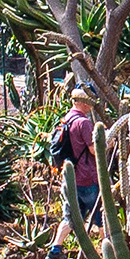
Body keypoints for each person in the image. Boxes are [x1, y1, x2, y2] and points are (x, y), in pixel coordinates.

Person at [50, 95, 101, 249]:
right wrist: (107, 143)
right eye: (88, 101)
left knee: (71, 217)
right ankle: (110, 254)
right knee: (101, 216)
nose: (90, 105)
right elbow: (93, 150)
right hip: (87, 177)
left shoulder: (67, 119)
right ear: (82, 102)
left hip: (72, 179)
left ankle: (55, 250)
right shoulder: (83, 122)